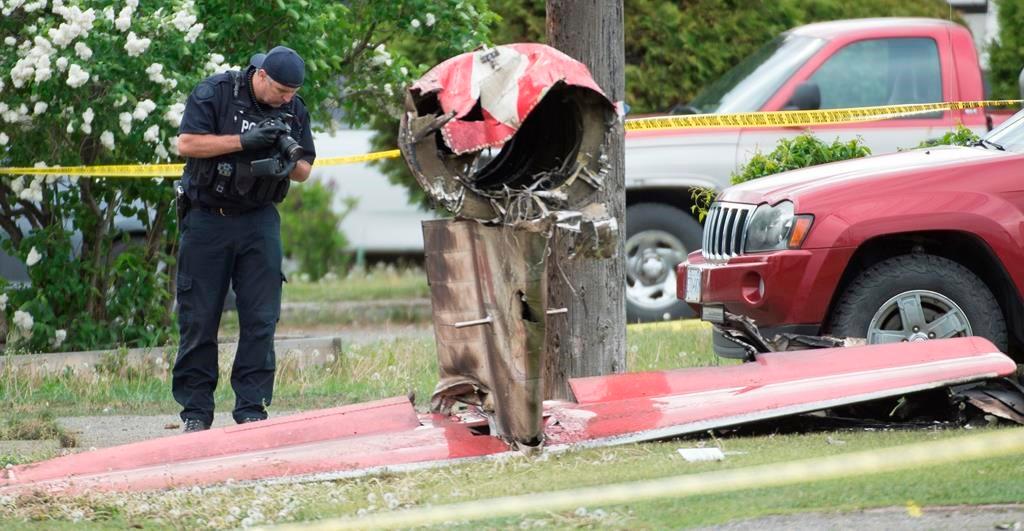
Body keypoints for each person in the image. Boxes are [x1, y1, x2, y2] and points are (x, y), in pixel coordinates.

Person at [173, 45, 316, 432]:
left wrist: (287, 162)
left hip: (259, 219)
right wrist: (243, 142)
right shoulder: (216, 92)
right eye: (283, 90)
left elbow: (304, 168)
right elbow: (186, 144)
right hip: (208, 218)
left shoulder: (293, 107)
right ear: (262, 76)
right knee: (199, 318)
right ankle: (196, 413)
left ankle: (251, 409)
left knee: (261, 317)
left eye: (293, 92)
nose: (288, 98)